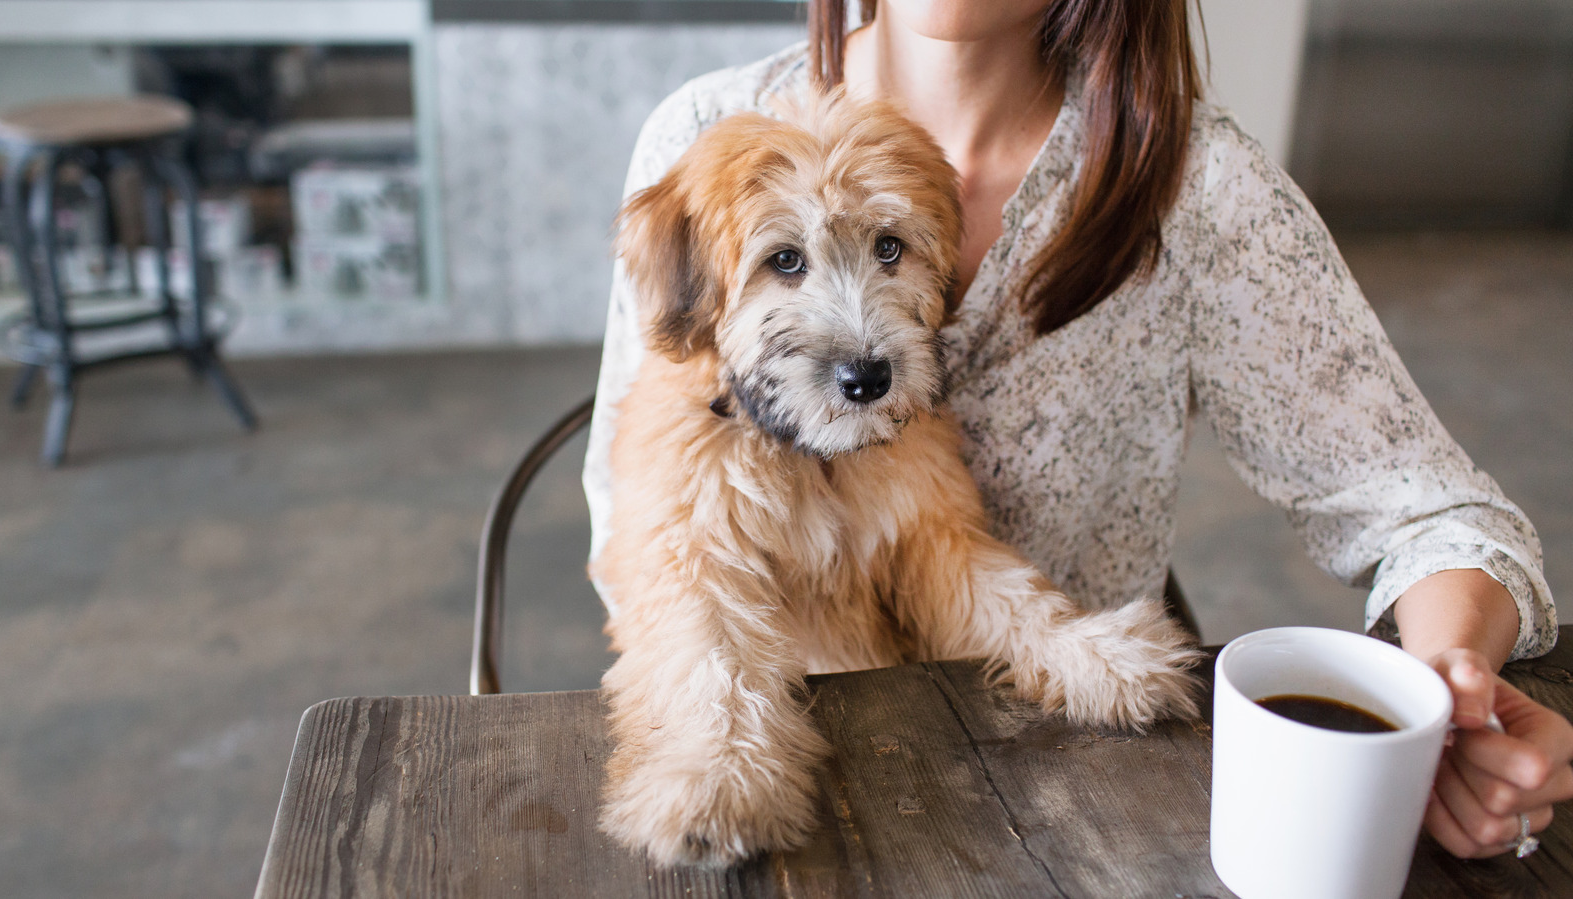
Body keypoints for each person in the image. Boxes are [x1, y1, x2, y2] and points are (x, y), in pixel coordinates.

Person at [582, 0, 1573, 858]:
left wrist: (1454, 689)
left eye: (893, 251)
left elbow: (1429, 514)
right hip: (777, 774)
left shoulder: (1195, 195)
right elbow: (643, 530)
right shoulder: (704, 132)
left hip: (1090, 792)